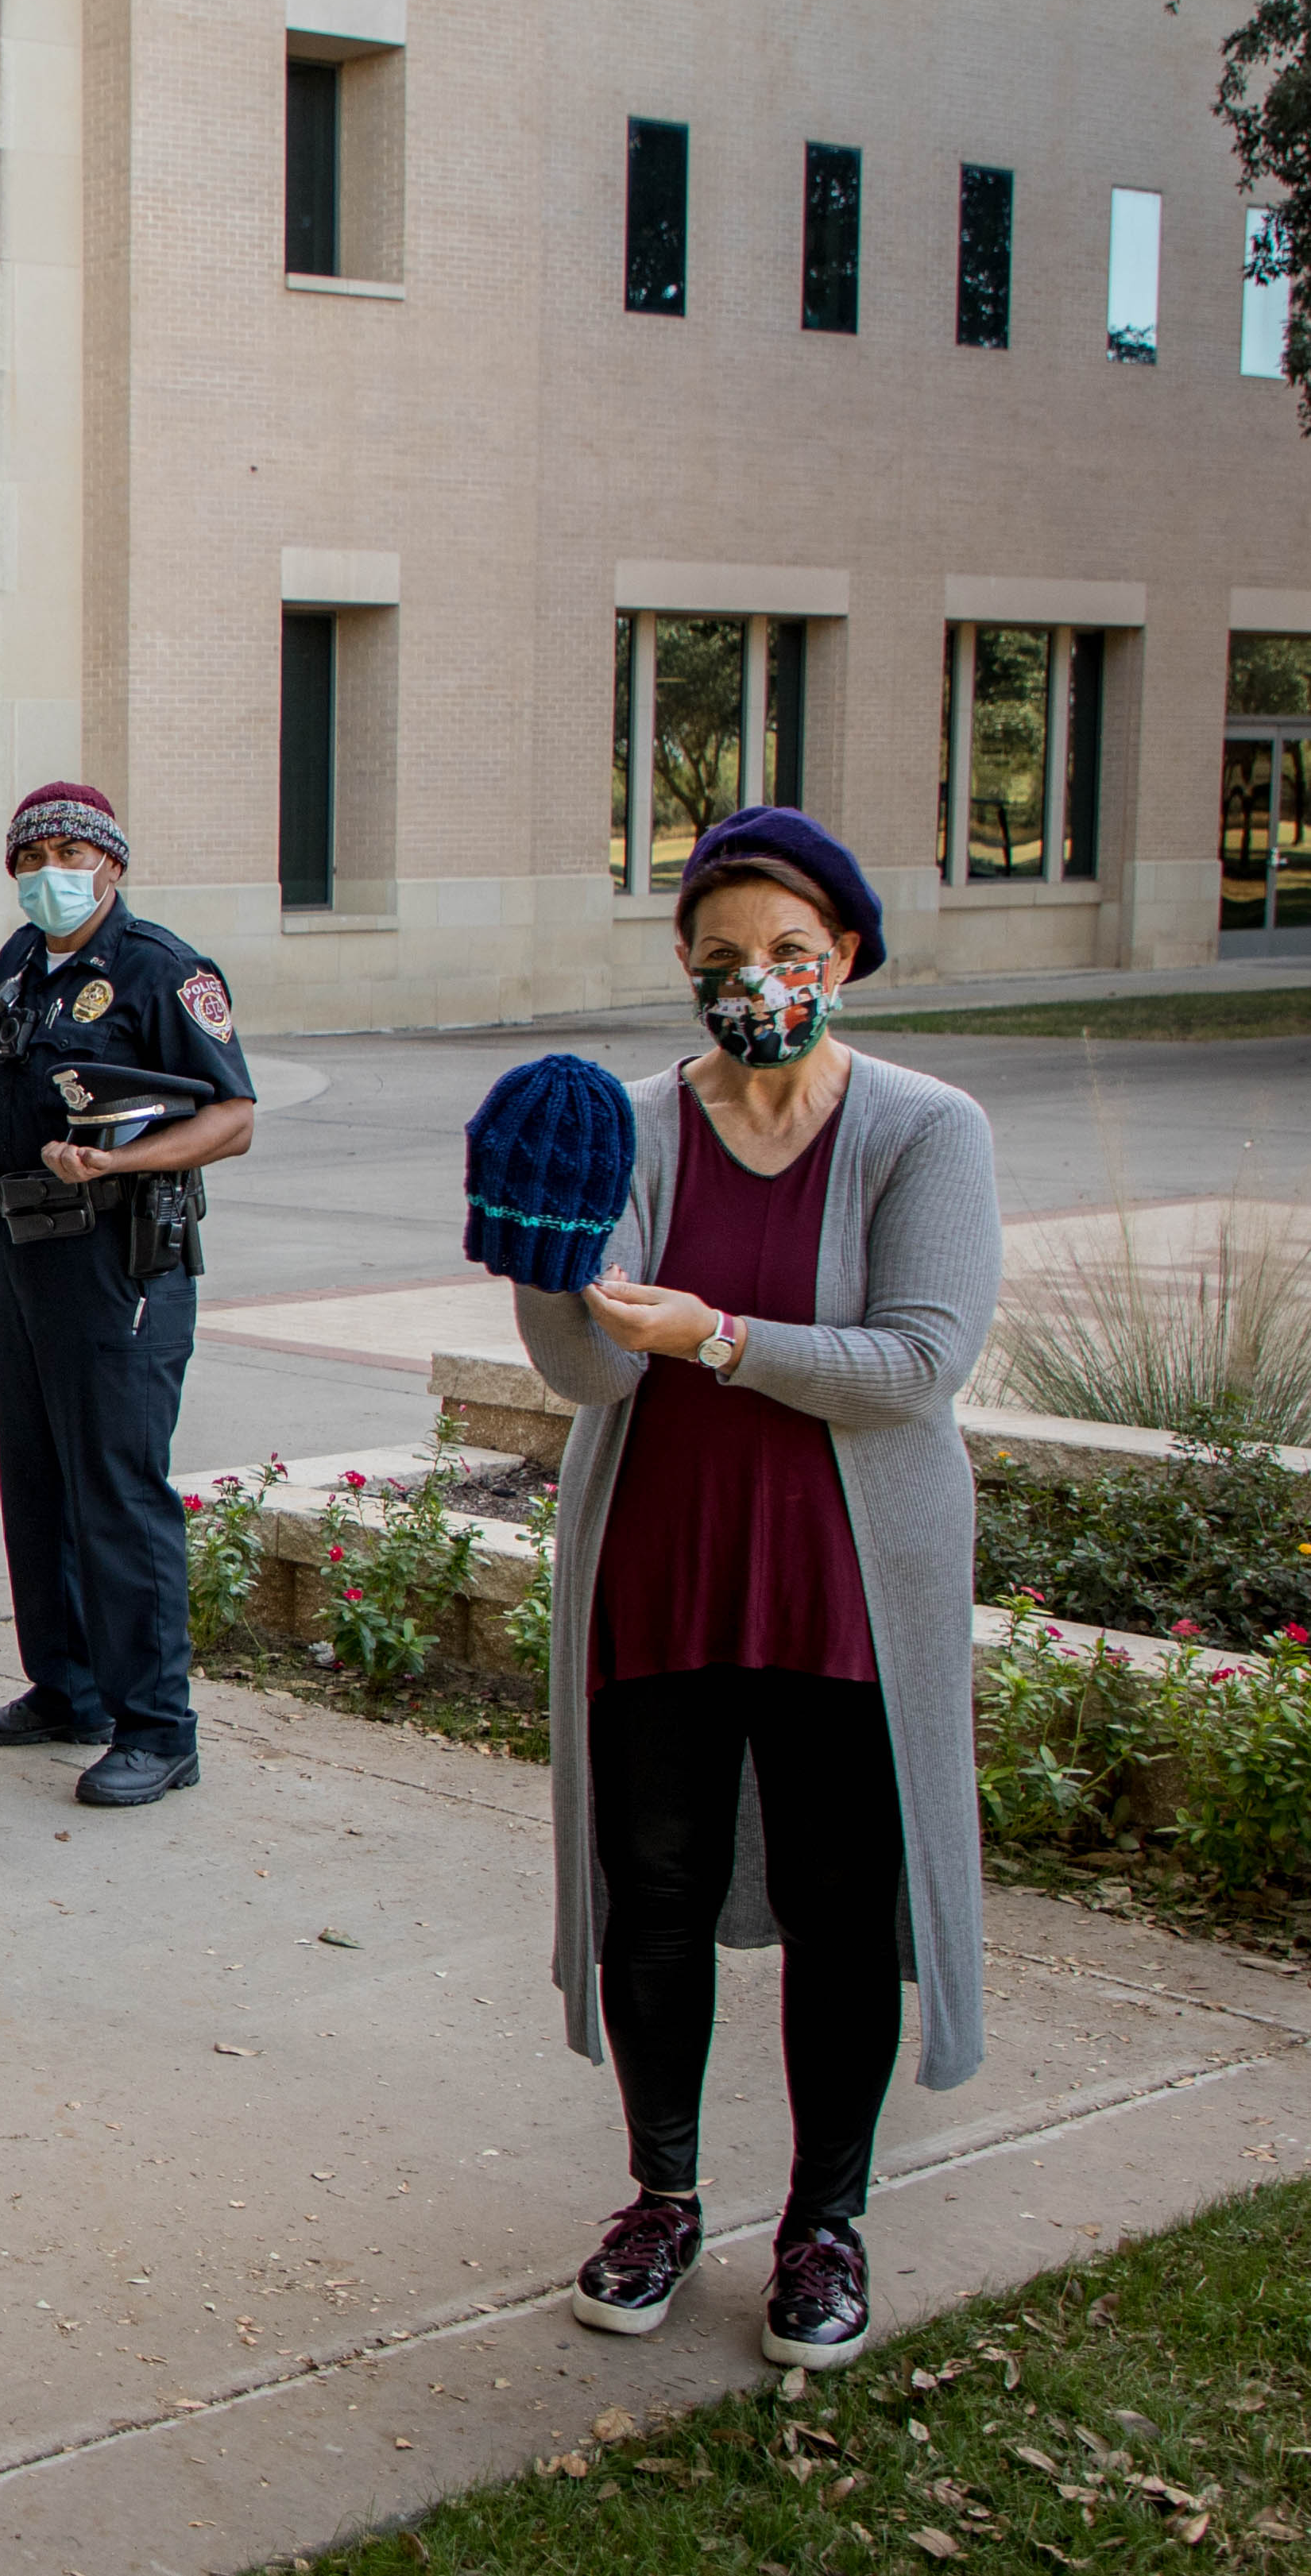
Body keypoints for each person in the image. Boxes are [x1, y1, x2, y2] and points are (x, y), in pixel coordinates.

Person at [509, 806, 996, 2373]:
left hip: (847, 1579)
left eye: (791, 951)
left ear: (846, 953)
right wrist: (538, 1242)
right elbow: (589, 1362)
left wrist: (714, 1332)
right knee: (649, 1888)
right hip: (662, 1563)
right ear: (683, 964)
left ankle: (823, 2224)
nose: (757, 979)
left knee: (841, 1906)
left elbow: (916, 1364)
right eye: (723, 956)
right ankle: (661, 2193)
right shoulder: (634, 1123)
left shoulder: (925, 1128)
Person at [0, 781, 257, 1809]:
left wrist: (119, 1166)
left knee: (116, 1488)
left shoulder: (161, 970)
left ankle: (159, 1727)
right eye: (30, 855)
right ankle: (67, 1687)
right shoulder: (22, 962)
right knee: (36, 1480)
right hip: (22, 1252)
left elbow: (235, 1116)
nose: (48, 871)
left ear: (111, 863)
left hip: (121, 1263)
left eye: (70, 851)